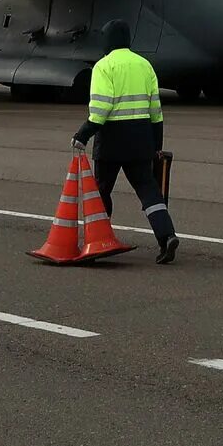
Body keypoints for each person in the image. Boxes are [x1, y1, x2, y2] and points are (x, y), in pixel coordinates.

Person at [73, 19, 178, 264]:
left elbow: (100, 108)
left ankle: (97, 241)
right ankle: (167, 236)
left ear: (107, 40)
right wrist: (156, 146)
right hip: (142, 138)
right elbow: (156, 110)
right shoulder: (145, 65)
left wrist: (83, 134)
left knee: (101, 191)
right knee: (149, 191)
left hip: (111, 139)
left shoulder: (104, 66)